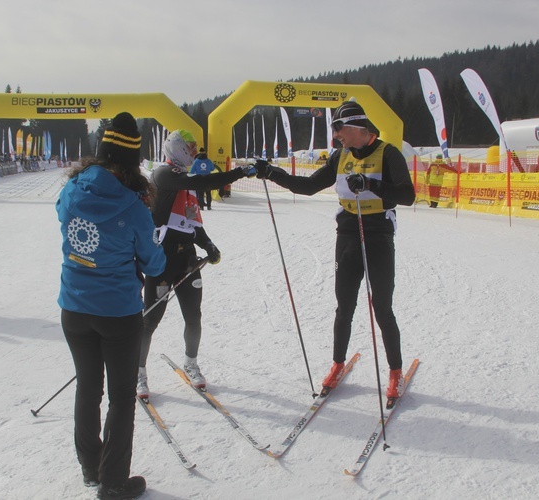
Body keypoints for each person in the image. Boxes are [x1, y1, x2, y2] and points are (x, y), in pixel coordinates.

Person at [255, 99, 416, 405]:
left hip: (378, 234)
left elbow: (407, 196)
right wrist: (272, 173)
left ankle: (395, 372)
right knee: (344, 306)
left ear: (359, 128)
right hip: (348, 235)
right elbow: (307, 187)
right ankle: (337, 364)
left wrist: (370, 183)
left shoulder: (388, 153)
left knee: (382, 307)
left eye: (340, 130)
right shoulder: (340, 156)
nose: (337, 137)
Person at [56, 112, 166, 500]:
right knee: (121, 397)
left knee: (88, 388)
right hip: (117, 313)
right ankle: (113, 482)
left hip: (74, 307)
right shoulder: (134, 206)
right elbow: (154, 263)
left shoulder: (71, 190)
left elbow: (66, 227)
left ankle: (91, 466)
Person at [137, 129, 256, 398]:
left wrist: (208, 245)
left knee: (193, 316)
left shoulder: (185, 183)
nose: (193, 153)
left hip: (187, 260)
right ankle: (139, 372)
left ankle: (191, 364)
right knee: (150, 320)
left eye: (194, 148)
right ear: (176, 148)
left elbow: (190, 224)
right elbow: (205, 183)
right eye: (189, 148)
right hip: (162, 262)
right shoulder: (164, 174)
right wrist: (239, 172)